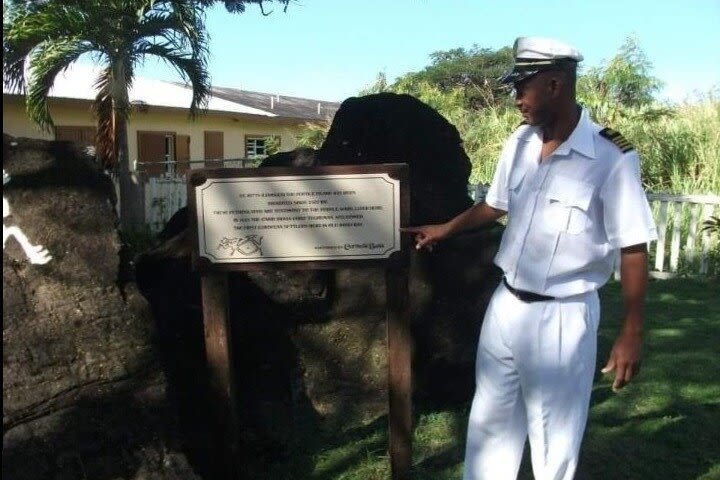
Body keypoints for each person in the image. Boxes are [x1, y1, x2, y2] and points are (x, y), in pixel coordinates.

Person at [402, 36, 657, 480]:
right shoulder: (519, 143)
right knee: (490, 421)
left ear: (555, 85)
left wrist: (631, 330)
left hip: (562, 316)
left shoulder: (610, 156)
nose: (516, 99)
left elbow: (633, 245)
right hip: (506, 305)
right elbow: (496, 204)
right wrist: (446, 228)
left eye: (523, 87)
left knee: (553, 439)